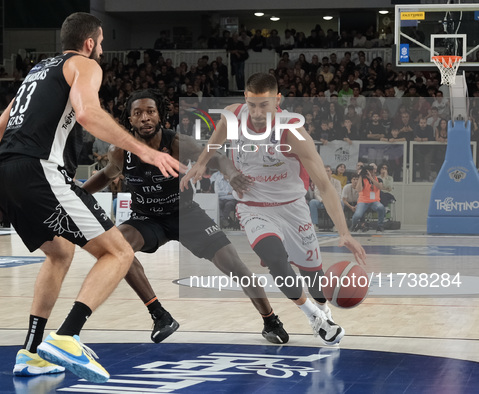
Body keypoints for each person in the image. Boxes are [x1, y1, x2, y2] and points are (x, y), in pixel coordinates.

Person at [0, 13, 180, 382]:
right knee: (119, 251)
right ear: (90, 42)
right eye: (102, 42)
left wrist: (14, 175)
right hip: (39, 170)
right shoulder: (84, 65)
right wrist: (145, 152)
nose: (103, 49)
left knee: (60, 252)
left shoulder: (36, 72)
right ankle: (68, 336)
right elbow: (89, 114)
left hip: (2, 170)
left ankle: (30, 352)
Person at [84, 89, 289, 345]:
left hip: (185, 214)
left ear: (161, 116)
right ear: (130, 120)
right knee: (117, 248)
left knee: (234, 265)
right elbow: (106, 175)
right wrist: (78, 193)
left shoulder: (180, 144)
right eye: (138, 114)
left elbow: (218, 158)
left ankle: (270, 320)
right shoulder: (119, 152)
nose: (145, 118)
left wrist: (231, 174)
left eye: (150, 111)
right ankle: (160, 315)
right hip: (146, 219)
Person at [183, 73, 367, 346]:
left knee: (313, 278)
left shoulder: (291, 132)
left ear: (277, 100)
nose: (257, 113)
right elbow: (215, 140)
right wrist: (201, 162)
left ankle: (322, 310)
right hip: (253, 207)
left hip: (292, 207)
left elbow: (325, 186)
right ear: (246, 97)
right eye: (253, 104)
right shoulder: (233, 116)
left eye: (264, 105)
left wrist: (344, 232)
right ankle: (314, 317)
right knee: (275, 259)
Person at [351, 164, 386, 232]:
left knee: (381, 207)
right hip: (363, 201)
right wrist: (360, 176)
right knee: (357, 215)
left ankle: (380, 226)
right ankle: (353, 225)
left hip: (374, 201)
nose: (370, 173)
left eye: (371, 171)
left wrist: (371, 178)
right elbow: (358, 189)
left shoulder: (378, 179)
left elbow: (380, 187)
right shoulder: (362, 179)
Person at [309, 165, 343, 230]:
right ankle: (314, 224)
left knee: (341, 202)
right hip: (322, 202)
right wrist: (322, 200)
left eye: (328, 171)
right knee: (312, 202)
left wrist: (331, 201)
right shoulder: (318, 182)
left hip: (333, 203)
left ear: (331, 172)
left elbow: (338, 194)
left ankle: (337, 225)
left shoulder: (337, 182)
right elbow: (316, 194)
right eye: (324, 171)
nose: (326, 173)